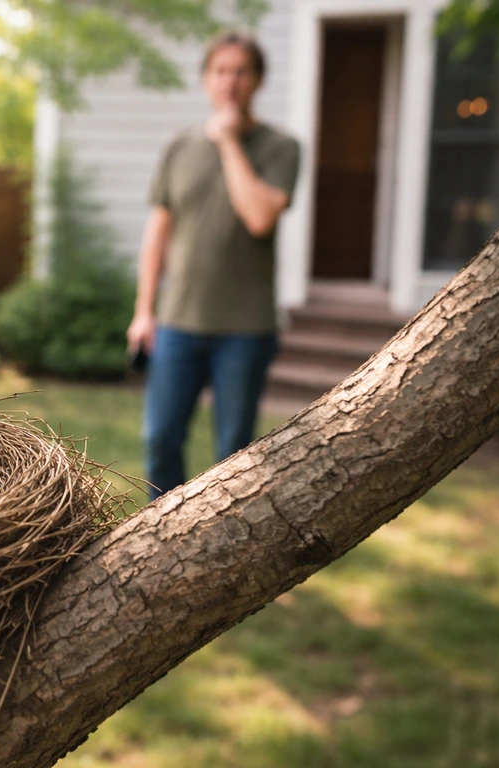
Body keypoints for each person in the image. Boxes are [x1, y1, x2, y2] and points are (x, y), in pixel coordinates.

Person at [126, 31, 300, 500]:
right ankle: (158, 538)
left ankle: (220, 549)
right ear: (206, 79)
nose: (230, 81)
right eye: (220, 71)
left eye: (241, 71)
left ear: (258, 80)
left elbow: (260, 217)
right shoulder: (179, 146)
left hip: (245, 330)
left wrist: (227, 141)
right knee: (159, 439)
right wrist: (144, 310)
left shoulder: (281, 148)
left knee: (234, 455)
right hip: (177, 322)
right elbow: (157, 233)